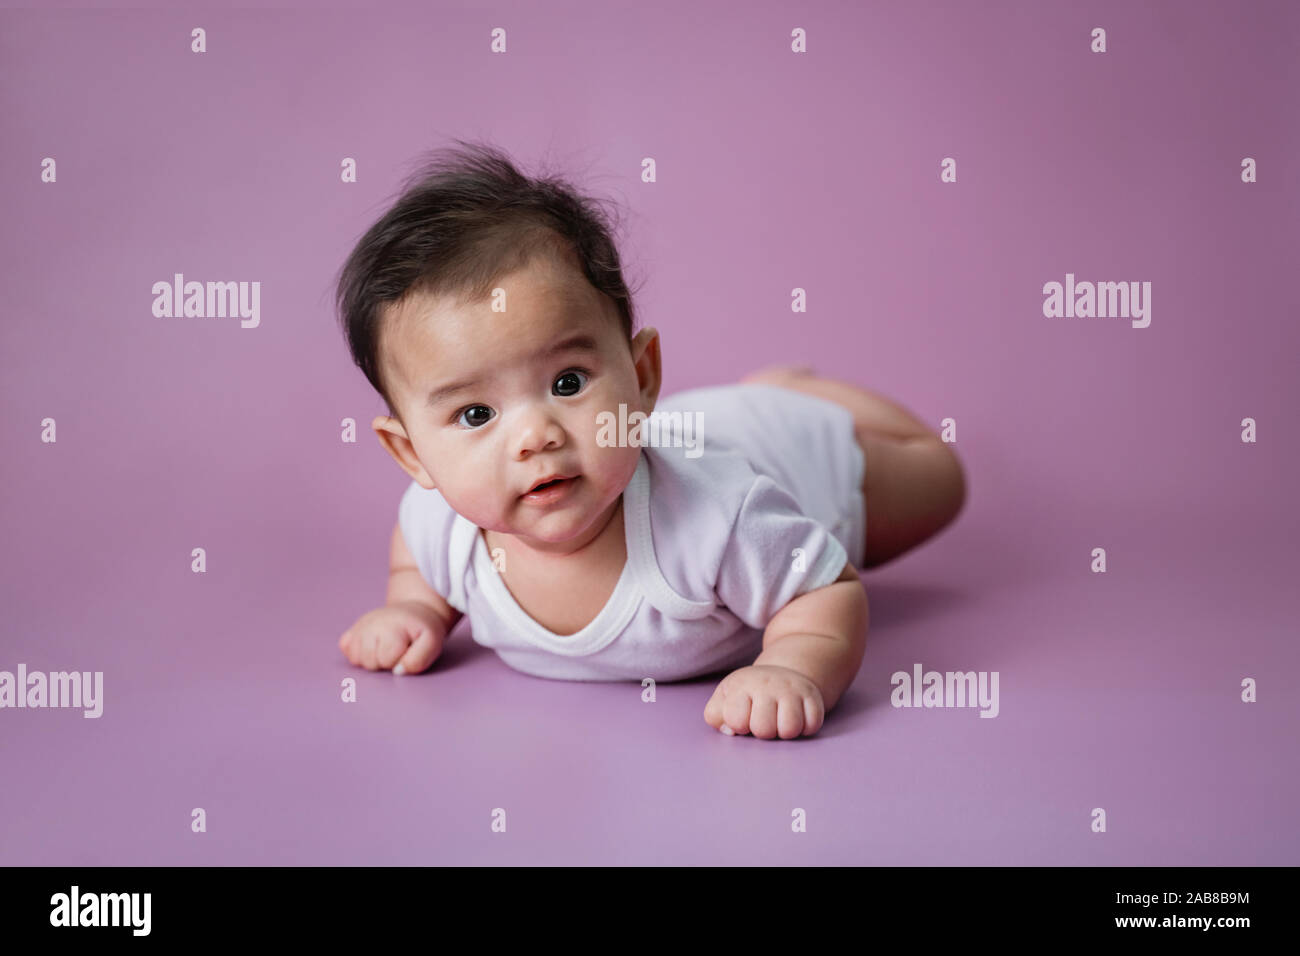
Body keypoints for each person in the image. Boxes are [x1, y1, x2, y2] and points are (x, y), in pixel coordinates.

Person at [334, 140, 966, 739]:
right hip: (679, 426)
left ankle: (800, 391)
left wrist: (796, 667)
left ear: (640, 377)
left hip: (795, 455)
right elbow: (414, 556)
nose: (534, 435)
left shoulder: (718, 517)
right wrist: (415, 608)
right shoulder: (439, 525)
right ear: (413, 454)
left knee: (939, 476)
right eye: (476, 415)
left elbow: (825, 588)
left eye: (568, 381)